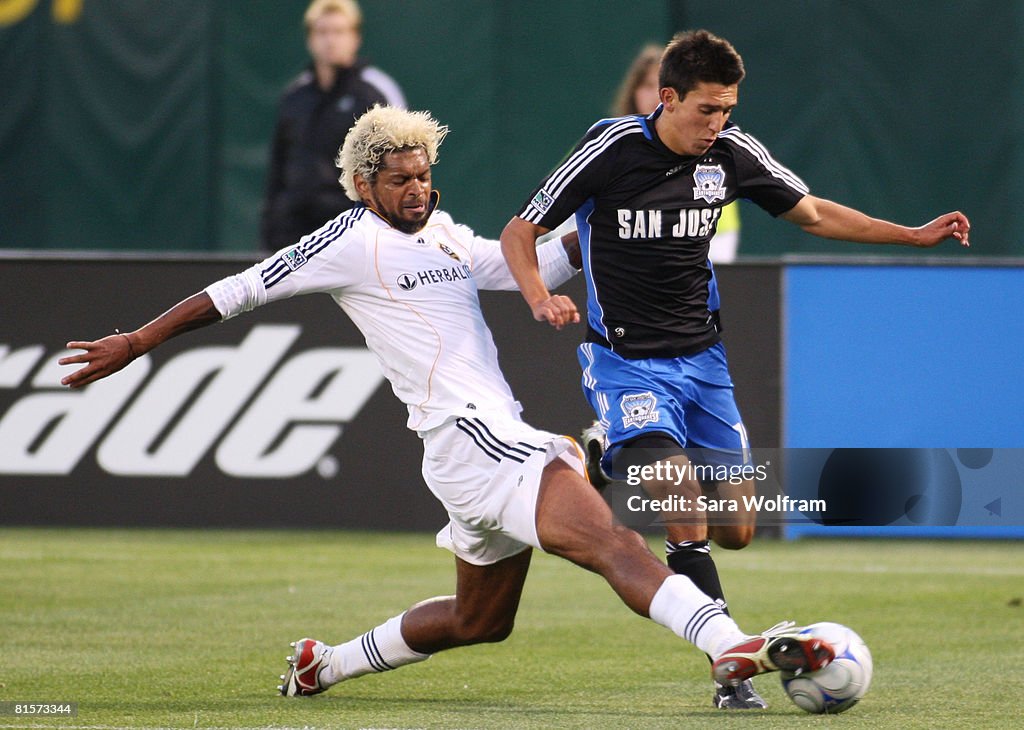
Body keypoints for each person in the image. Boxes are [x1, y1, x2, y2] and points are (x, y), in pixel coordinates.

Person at [58, 105, 834, 702]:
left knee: (479, 622)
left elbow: (529, 263)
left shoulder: (446, 235)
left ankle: (320, 666)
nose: (417, 188)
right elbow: (235, 293)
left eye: (424, 174)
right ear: (365, 185)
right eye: (399, 179)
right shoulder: (347, 239)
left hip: (471, 450)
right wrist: (135, 342)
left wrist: (600, 215)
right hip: (472, 438)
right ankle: (729, 643)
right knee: (617, 545)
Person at [500, 29, 969, 710]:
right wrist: (541, 296)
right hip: (627, 364)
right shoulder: (610, 149)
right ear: (666, 99)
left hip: (704, 365)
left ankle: (605, 453)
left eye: (727, 110)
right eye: (706, 110)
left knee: (738, 530)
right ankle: (730, 672)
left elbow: (810, 212)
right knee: (683, 508)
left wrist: (911, 233)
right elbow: (522, 231)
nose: (717, 124)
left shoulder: (731, 154)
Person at [260, 0, 406, 252]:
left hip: (353, 236)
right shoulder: (295, 96)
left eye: (339, 31)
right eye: (322, 32)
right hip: (293, 236)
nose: (330, 40)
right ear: (310, 39)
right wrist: (270, 231)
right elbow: (278, 169)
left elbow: (400, 169)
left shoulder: (376, 93)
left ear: (355, 38)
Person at [613, 42, 741, 263]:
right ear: (633, 91)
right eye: (647, 85)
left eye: (662, 85)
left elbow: (722, 241)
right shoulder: (603, 146)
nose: (655, 95)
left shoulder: (713, 154)